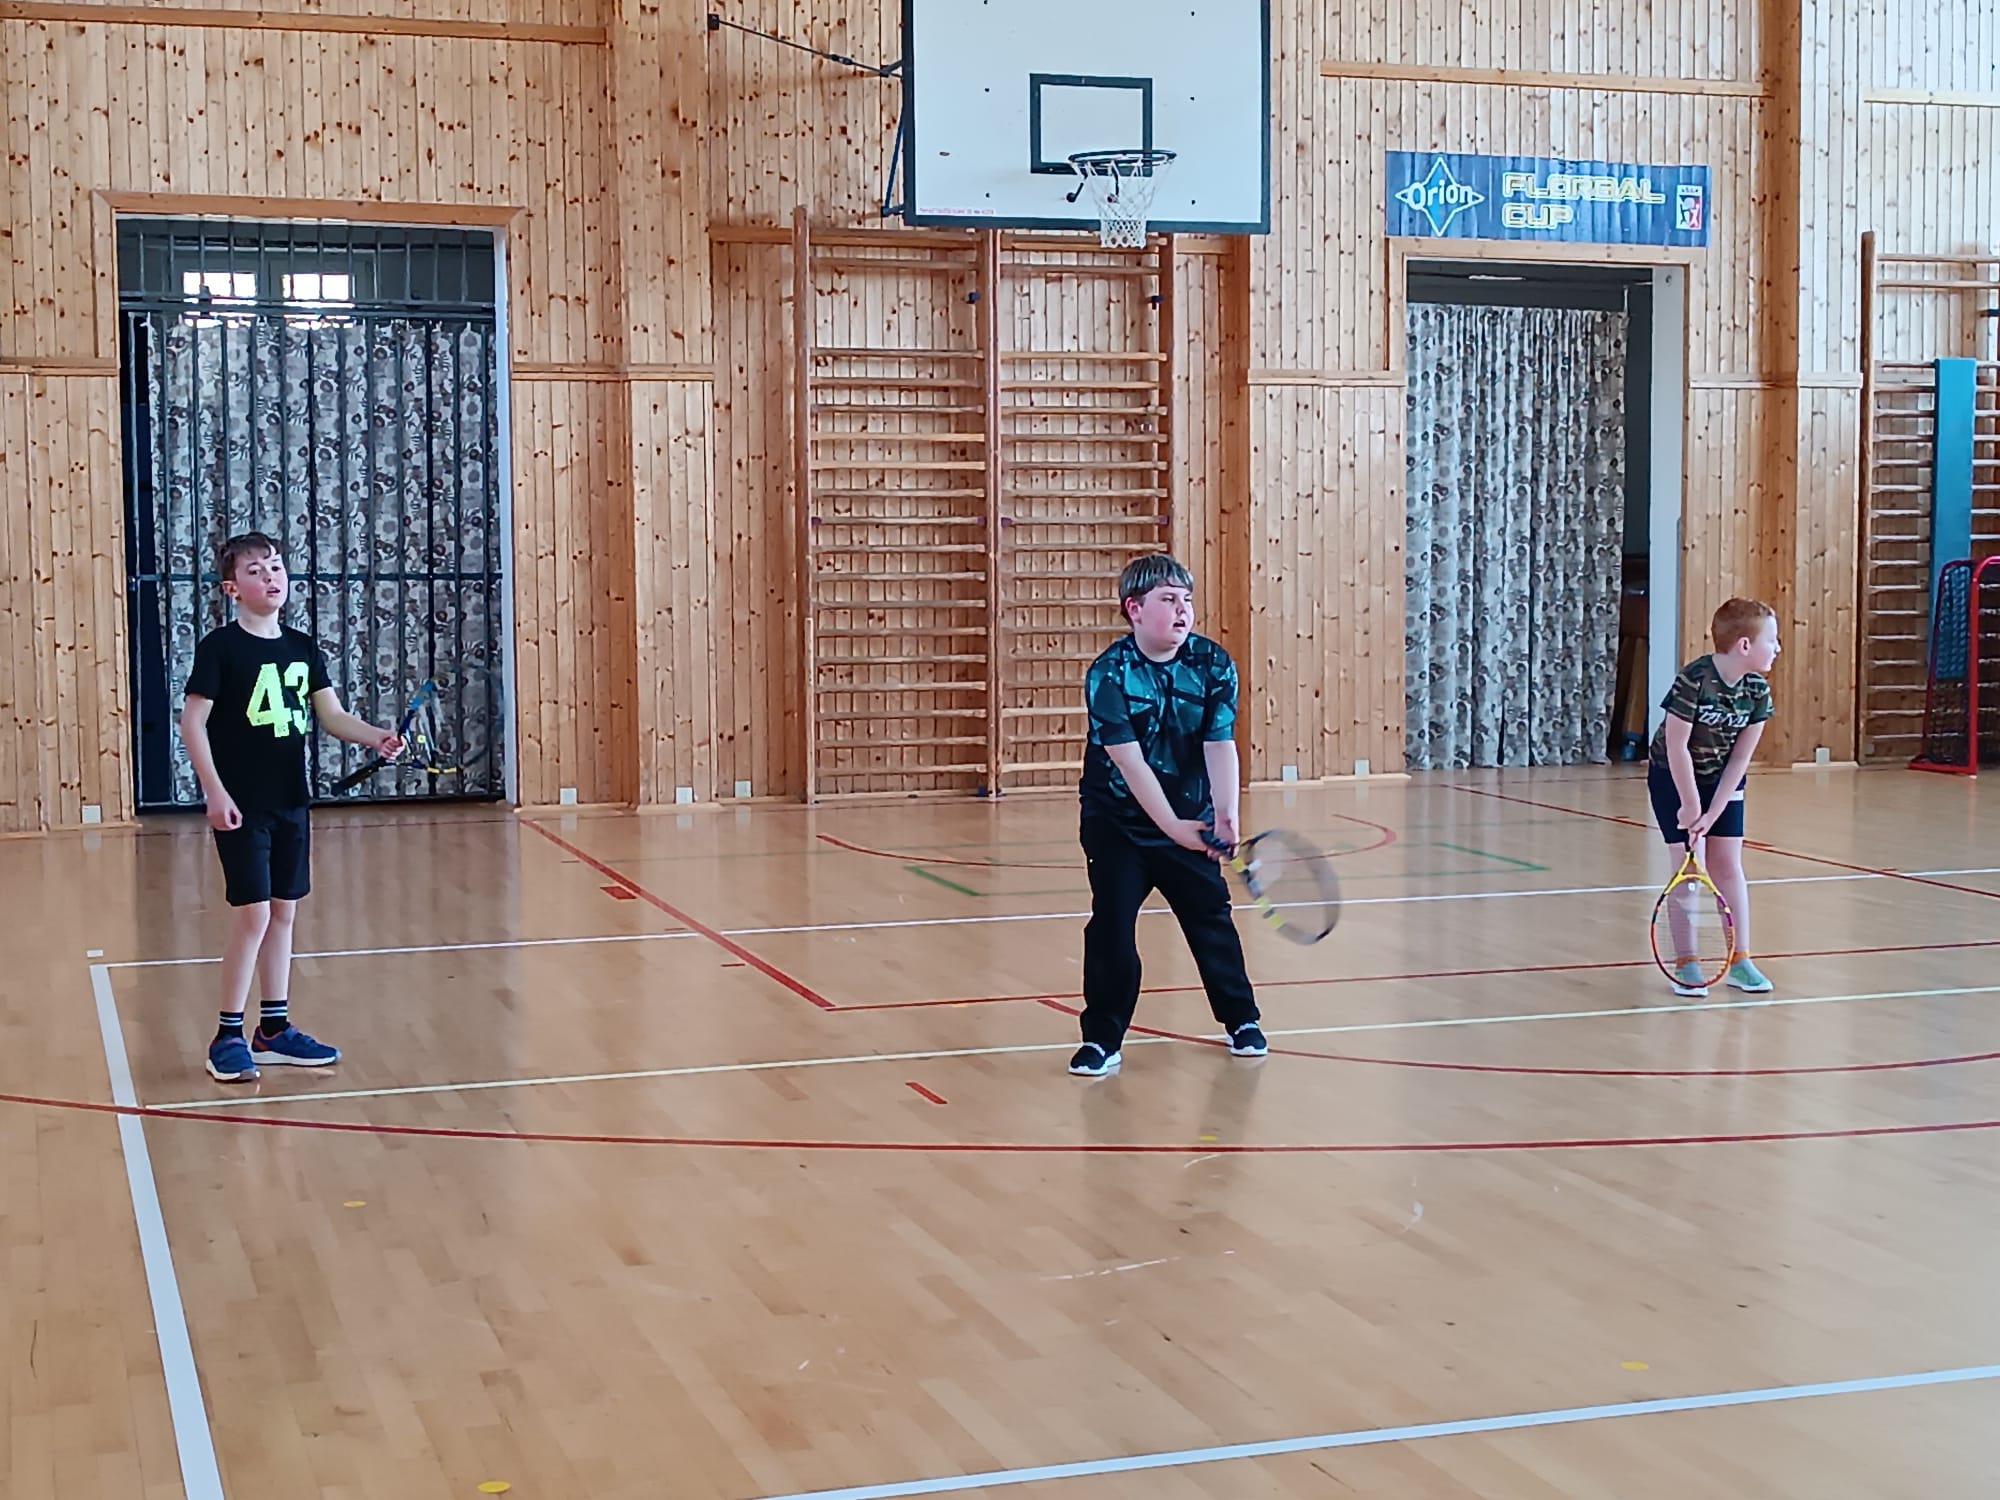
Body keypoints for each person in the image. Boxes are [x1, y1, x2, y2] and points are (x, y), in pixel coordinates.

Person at [179, 532, 403, 1082]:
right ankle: (227, 1035)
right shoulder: (220, 648)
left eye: (276, 566)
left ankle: (273, 1031)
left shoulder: (302, 647)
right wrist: (214, 791)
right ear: (233, 588)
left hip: (290, 803)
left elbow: (333, 716)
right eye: (255, 571)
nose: (270, 577)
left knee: (284, 912)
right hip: (242, 804)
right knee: (253, 914)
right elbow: (192, 723)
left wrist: (376, 736)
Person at [1069, 554, 1264, 1077]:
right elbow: (1129, 763)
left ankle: (1242, 1020)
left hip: (1189, 815)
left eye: (1187, 601)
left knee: (1210, 919)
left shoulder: (1213, 664)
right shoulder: (1109, 674)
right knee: (1111, 924)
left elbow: (1219, 744)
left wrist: (1225, 815)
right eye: (1168, 600)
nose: (1183, 611)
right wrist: (1175, 829)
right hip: (1118, 824)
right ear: (1134, 609)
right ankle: (1102, 1039)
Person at [1648, 597, 1782, 998]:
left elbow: (1740, 758)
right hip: (1673, 777)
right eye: (1772, 640)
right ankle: (1686, 962)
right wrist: (1691, 806)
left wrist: (1714, 811)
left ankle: (1740, 960)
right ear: (1745, 645)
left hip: (1722, 780)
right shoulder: (1694, 680)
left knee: (1728, 866)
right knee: (1689, 869)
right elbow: (1677, 748)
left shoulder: (1757, 691)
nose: (1777, 648)